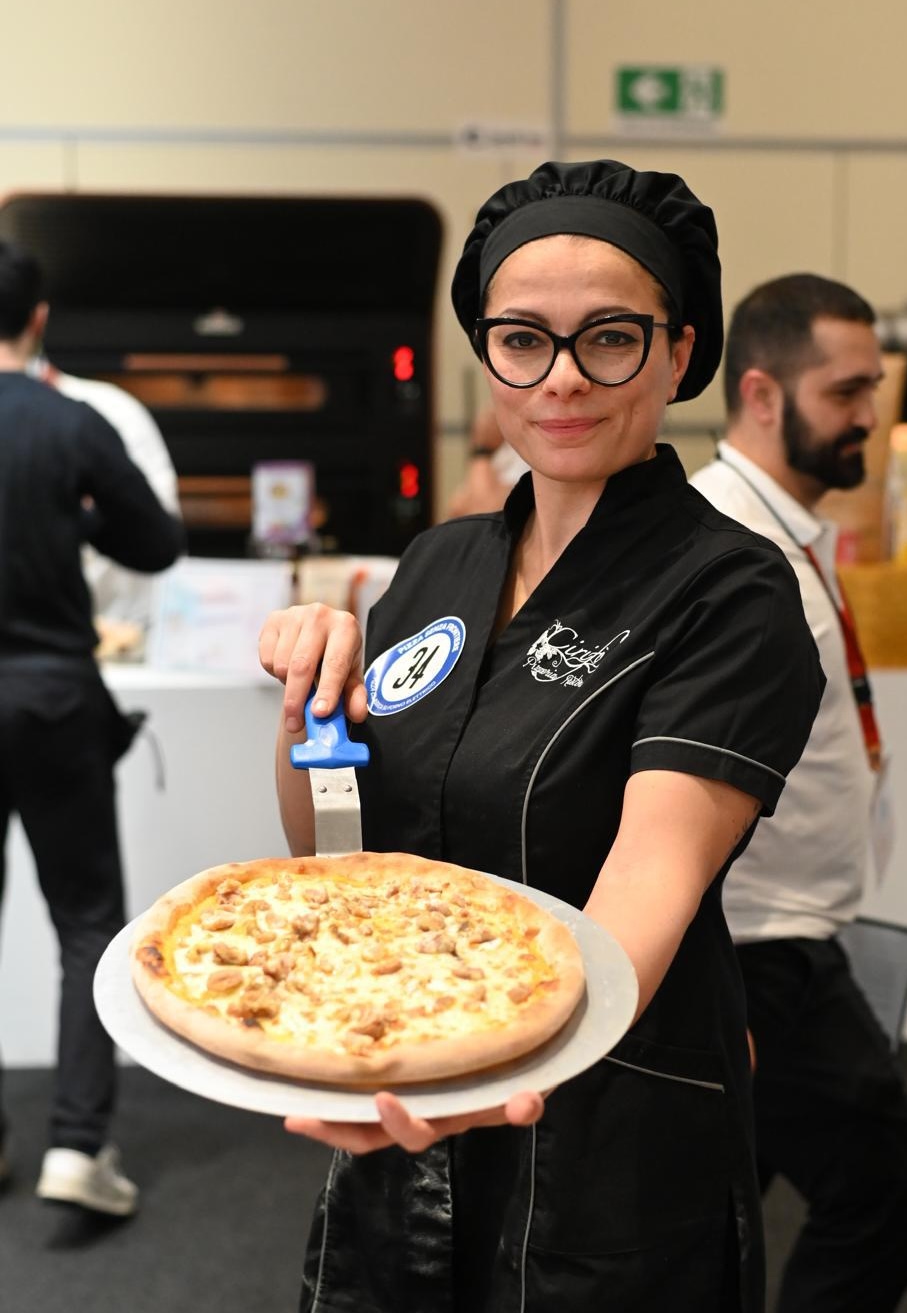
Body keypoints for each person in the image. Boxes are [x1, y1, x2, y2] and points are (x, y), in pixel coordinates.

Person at [258, 159, 825, 1313]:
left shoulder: (729, 590)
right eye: (522, 340)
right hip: (404, 1086)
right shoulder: (437, 566)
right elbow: (336, 860)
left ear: (678, 351)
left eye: (608, 338)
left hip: (602, 1129)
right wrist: (306, 704)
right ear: (486, 357)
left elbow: (650, 877)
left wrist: (488, 1073)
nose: (561, 380)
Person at [689, 273, 907, 1312]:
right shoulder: (722, 548)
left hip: (781, 941)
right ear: (758, 394)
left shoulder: (782, 532)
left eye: (871, 388)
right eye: (843, 393)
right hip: (754, 951)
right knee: (879, 1201)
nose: (868, 417)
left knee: (707, 1218)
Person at [0, 240, 185, 1212]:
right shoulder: (69, 421)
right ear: (37, 322)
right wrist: (69, 519)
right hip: (53, 694)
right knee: (83, 920)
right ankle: (76, 1147)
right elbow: (156, 543)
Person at [29, 353, 181, 635]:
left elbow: (159, 531)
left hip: (125, 624)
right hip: (42, 634)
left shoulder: (107, 411)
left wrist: (80, 512)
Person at [445, 402, 527, 517]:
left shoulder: (527, 452)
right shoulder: (503, 445)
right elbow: (456, 510)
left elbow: (481, 516)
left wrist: (482, 450)